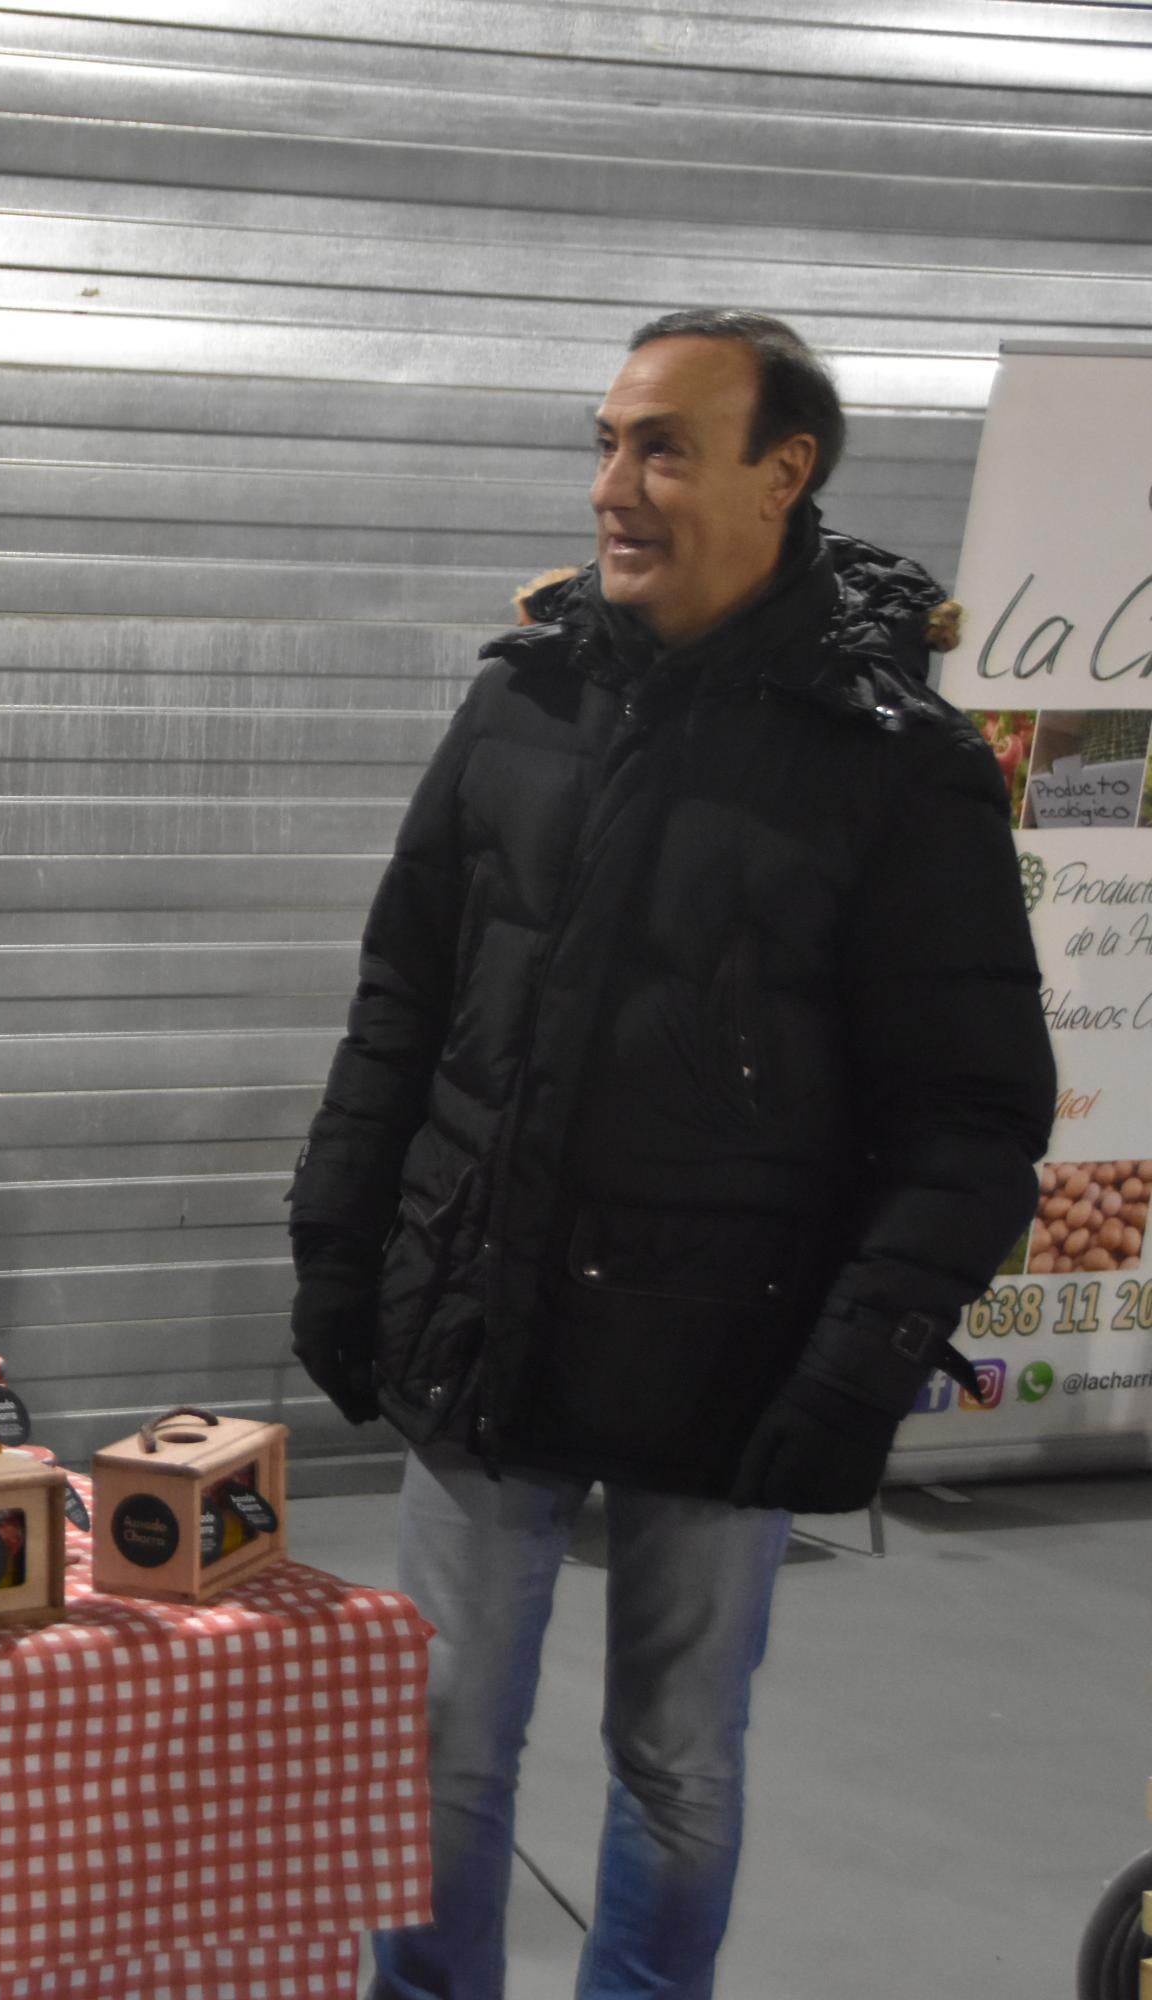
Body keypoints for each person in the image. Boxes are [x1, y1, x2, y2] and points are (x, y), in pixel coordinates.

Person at [287, 311, 1052, 1998]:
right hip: (483, 1320)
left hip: (734, 1353)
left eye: (663, 449)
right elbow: (405, 999)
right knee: (438, 1745)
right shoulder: (521, 704)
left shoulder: (892, 767)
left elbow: (977, 1111)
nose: (613, 486)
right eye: (610, 441)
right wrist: (340, 1239)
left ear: (788, 472)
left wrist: (856, 1372)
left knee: (676, 1760)